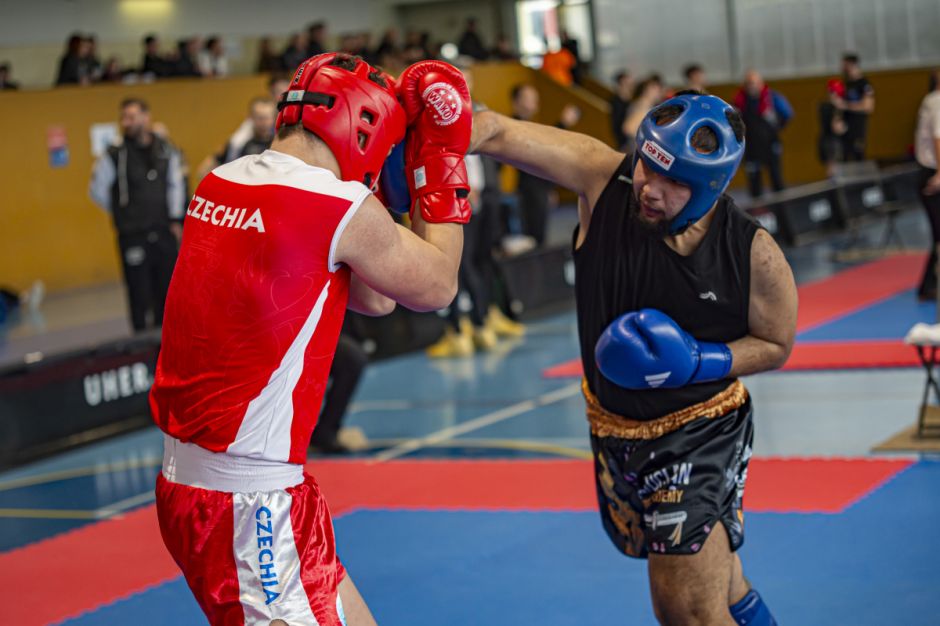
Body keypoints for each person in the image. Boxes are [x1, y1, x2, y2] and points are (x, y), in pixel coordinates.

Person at [148, 53, 471, 625]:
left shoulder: (221, 180)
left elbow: (377, 297)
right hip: (249, 503)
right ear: (364, 131)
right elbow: (437, 286)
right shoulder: (336, 205)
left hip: (211, 486)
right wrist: (439, 158)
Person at [470, 91, 797, 625]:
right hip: (613, 430)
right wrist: (433, 129)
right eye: (649, 165)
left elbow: (777, 343)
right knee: (721, 581)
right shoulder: (603, 179)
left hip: (702, 431)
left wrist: (701, 360)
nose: (649, 188)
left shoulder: (752, 251)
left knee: (686, 610)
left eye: (673, 183)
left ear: (710, 188)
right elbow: (498, 131)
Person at [90, 98, 185, 333]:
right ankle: (140, 342)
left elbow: (176, 185)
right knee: (138, 291)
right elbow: (97, 191)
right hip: (133, 234)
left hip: (163, 230)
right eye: (124, 118)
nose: (127, 122)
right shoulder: (115, 154)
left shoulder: (165, 149)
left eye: (132, 117)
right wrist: (124, 213)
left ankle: (166, 341)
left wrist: (175, 218)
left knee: (167, 290)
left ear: (146, 117)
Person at [733, 69, 793, 197]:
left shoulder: (772, 98)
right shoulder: (739, 101)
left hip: (770, 144)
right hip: (751, 147)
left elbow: (788, 114)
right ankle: (757, 206)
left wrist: (776, 125)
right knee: (754, 183)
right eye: (748, 83)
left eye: (753, 83)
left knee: (776, 179)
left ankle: (781, 206)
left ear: (761, 83)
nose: (751, 86)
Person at [196, 97, 277, 180]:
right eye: (260, 117)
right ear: (250, 117)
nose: (264, 122)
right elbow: (202, 171)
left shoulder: (278, 143)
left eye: (267, 117)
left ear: (274, 118)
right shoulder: (237, 143)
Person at [916, 68, 940, 302]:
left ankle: (928, 285)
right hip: (932, 174)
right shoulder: (936, 101)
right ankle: (928, 286)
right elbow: (937, 138)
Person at [833, 52, 875, 161]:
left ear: (852, 65)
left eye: (845, 65)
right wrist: (837, 120)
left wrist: (847, 106)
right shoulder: (845, 83)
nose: (842, 68)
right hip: (844, 130)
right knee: (844, 158)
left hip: (857, 128)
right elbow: (839, 106)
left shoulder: (864, 84)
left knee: (858, 157)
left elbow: (868, 107)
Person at [610, 70, 634, 150]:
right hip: (621, 140)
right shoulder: (616, 102)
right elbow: (617, 126)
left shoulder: (630, 101)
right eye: (627, 84)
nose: (630, 86)